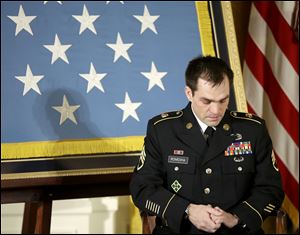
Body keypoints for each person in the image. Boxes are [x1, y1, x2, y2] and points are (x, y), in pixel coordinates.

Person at [130, 55, 284, 234]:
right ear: (189, 93)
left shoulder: (253, 130)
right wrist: (187, 210)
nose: (216, 110)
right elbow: (142, 188)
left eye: (223, 100)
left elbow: (271, 188)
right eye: (207, 101)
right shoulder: (163, 130)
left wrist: (237, 217)